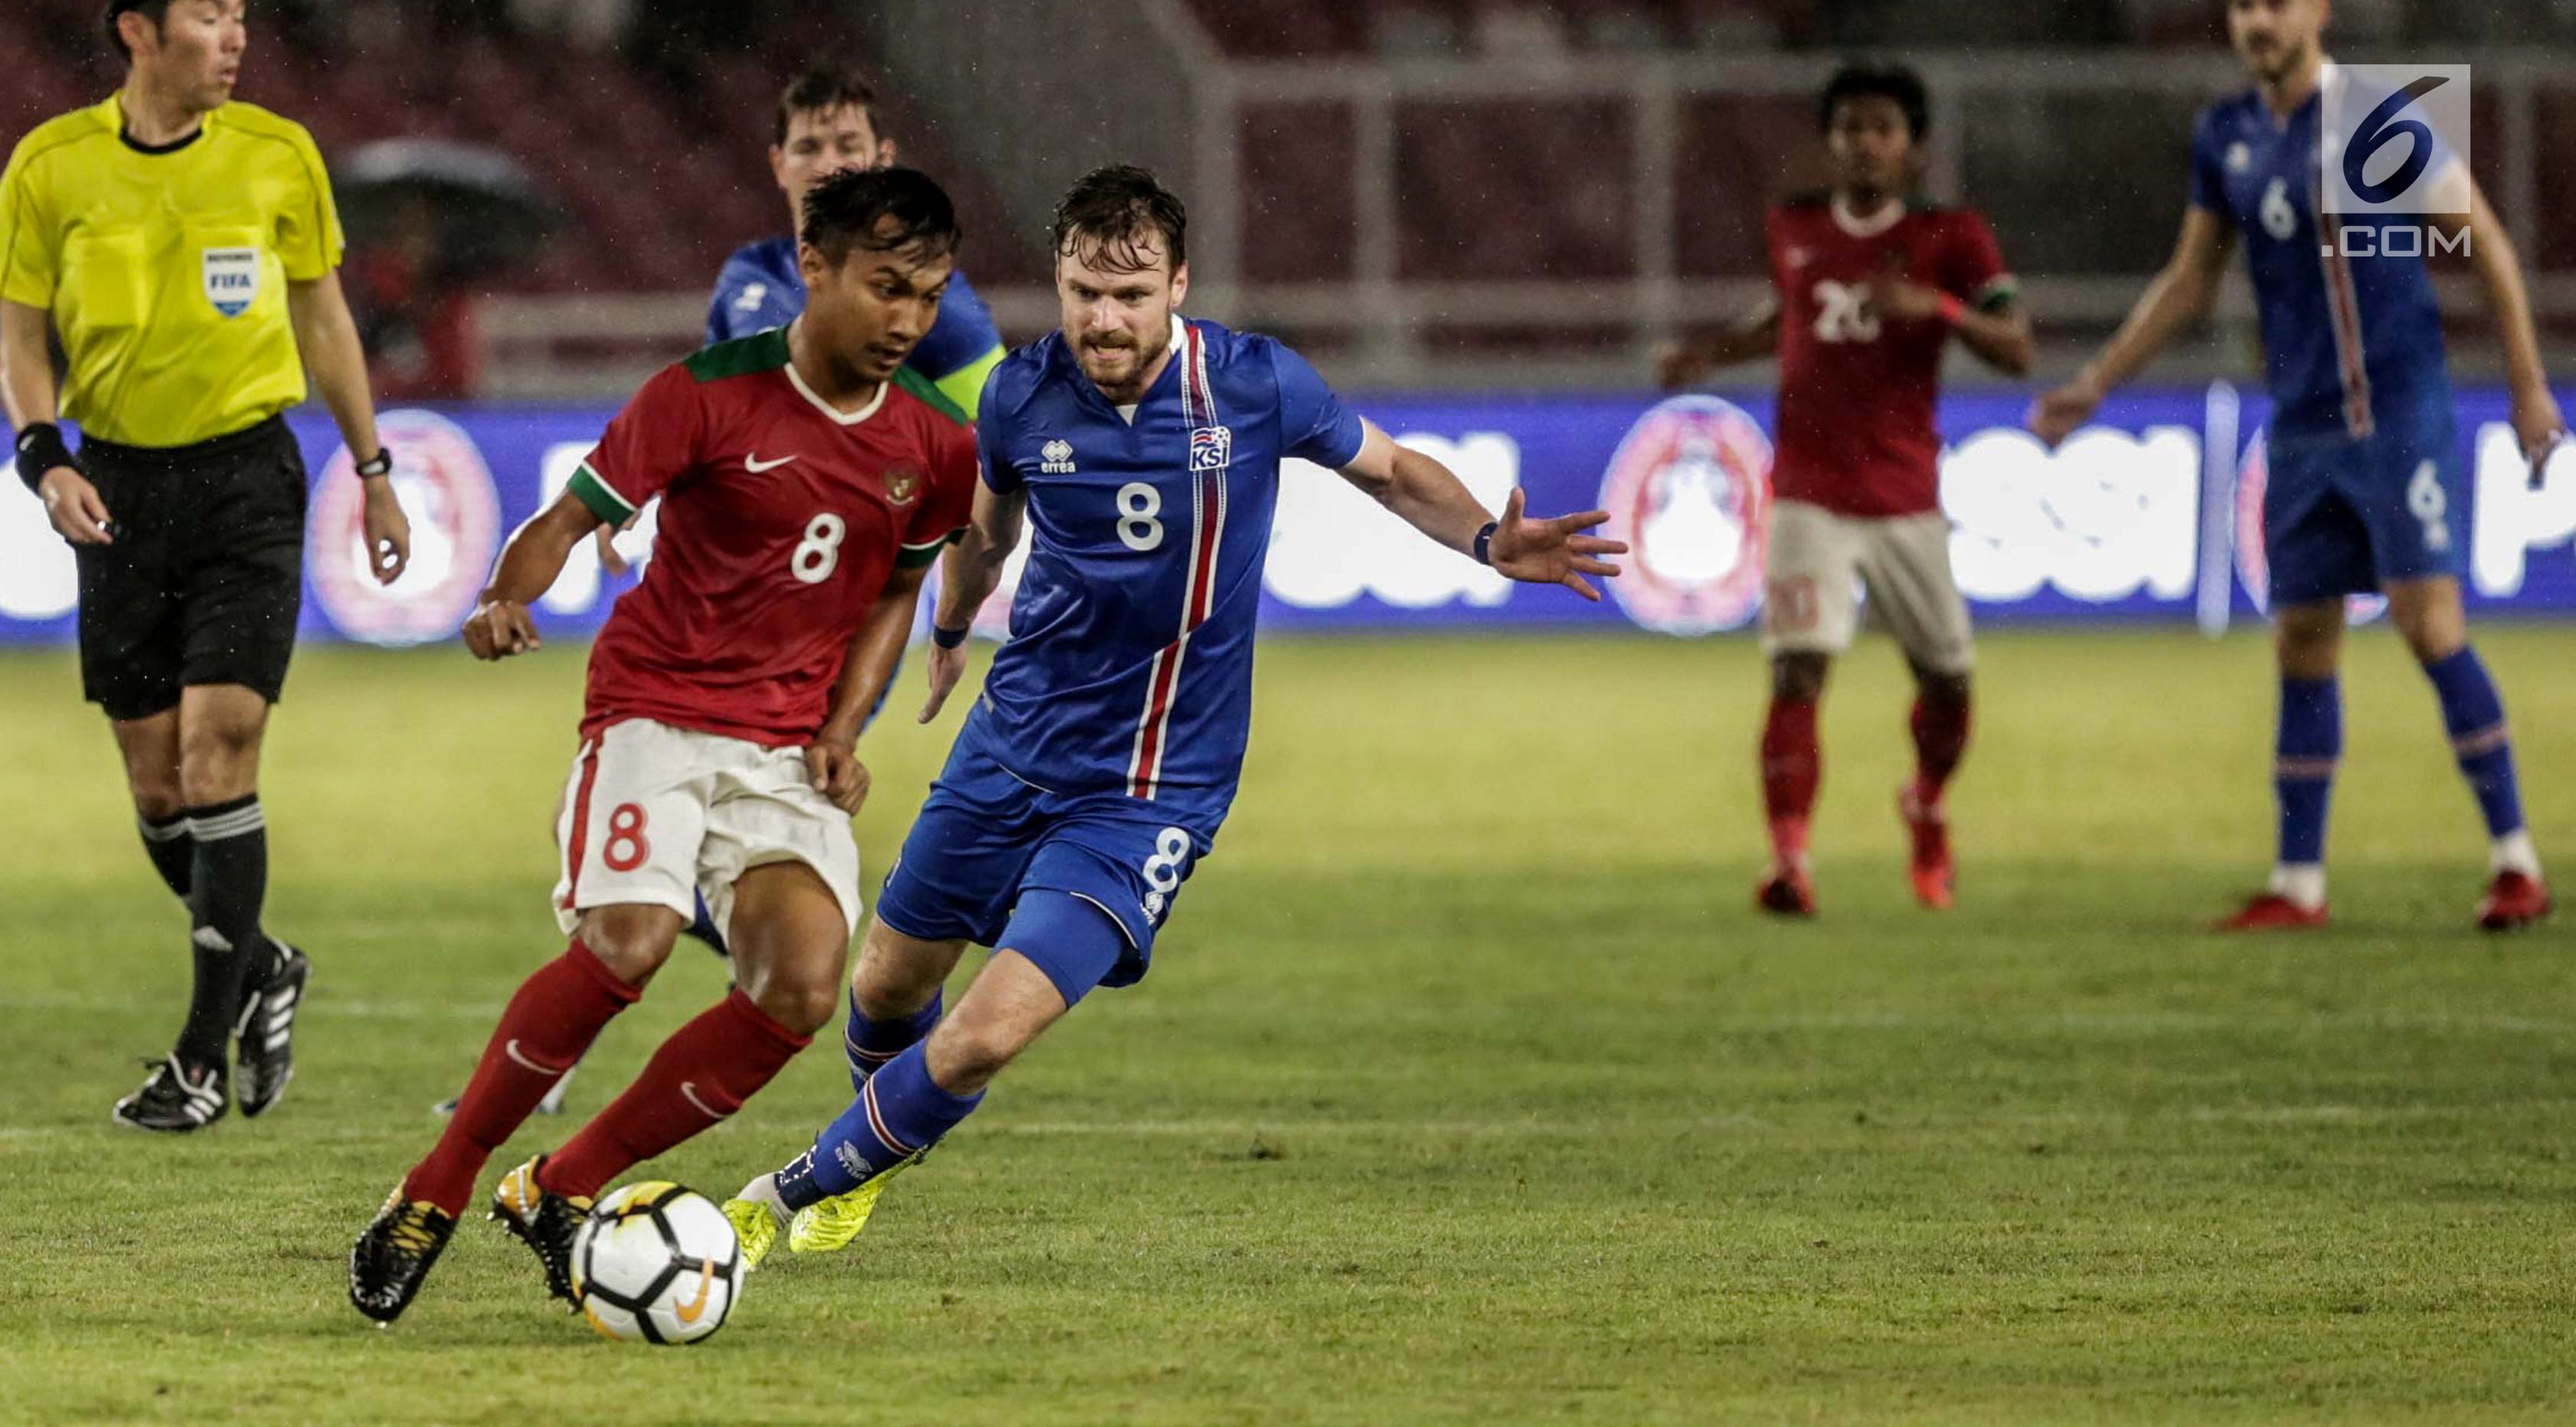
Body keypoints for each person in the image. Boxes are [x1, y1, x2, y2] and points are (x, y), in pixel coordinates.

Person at [717, 165, 1626, 1265]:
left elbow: (1389, 472)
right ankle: (879, 1141)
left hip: (1151, 791)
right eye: (1084, 293)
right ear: (1058, 283)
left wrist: (1487, 539)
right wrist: (949, 627)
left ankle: (776, 1198)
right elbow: (987, 533)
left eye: (1131, 295)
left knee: (983, 1035)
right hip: (1010, 742)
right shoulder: (1017, 395)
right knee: (884, 985)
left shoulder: (1254, 385)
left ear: (1178, 287)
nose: (1105, 319)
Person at [347, 167, 978, 1324]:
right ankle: (435, 1185)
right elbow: (567, 519)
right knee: (628, 942)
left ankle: (561, 1183)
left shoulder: (935, 443)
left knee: (800, 987)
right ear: (815, 267)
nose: (907, 320)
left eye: (929, 298)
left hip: (780, 751)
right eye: (887, 288)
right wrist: (504, 595)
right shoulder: (704, 395)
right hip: (654, 715)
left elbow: (897, 589)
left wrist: (843, 729)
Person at [2028, 0, 2561, 931]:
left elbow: (2480, 239)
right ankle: (2298, 884)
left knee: (2429, 624)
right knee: (2302, 639)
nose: (2255, 22)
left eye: (2275, 4)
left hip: (2395, 414)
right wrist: (2095, 383)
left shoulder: (2377, 111)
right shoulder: (2226, 132)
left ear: (2319, 10)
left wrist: (2526, 387)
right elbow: (2190, 280)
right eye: (2241, 6)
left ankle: (2516, 862)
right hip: (2302, 425)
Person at [0, 0, 413, 1131]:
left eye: (240, 15)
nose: (234, 36)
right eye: (208, 15)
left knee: (218, 748)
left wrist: (375, 469)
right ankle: (265, 964)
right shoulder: (51, 168)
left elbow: (326, 322)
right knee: (158, 788)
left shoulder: (278, 155)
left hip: (246, 483)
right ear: (138, 30)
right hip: (118, 488)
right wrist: (42, 458)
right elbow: (22, 334)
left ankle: (195, 1062)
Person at [1655, 61, 2029, 917]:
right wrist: (1709, 354)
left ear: (1912, 147)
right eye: (1850, 128)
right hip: (1808, 492)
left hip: (1905, 499)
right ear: (1830, 142)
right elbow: (1790, 316)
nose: (1864, 144)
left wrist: (1937, 309)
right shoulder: (1794, 224)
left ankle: (1925, 803)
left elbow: (2017, 347)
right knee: (1796, 670)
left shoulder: (1952, 236)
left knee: (1948, 684)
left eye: (1882, 129)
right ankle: (1789, 862)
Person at [708, 63, 1003, 416]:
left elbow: (1000, 435)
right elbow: (709, 420)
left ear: (883, 160)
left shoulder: (940, 302)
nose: (828, 166)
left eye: (848, 147)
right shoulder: (747, 275)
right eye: (807, 148)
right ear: (779, 165)